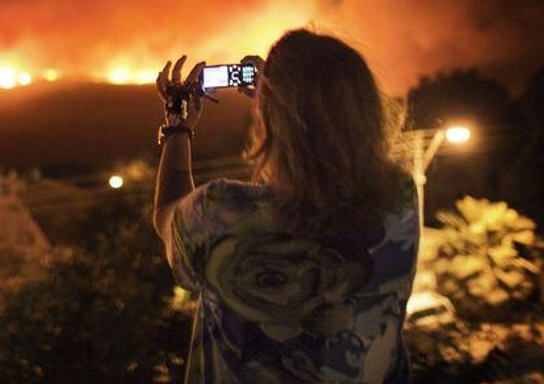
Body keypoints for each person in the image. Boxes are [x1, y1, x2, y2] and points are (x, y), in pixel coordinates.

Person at [153, 29, 419, 384]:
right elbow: (337, 167)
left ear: (270, 117)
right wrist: (287, 96)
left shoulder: (219, 214)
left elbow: (168, 215)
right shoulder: (400, 198)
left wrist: (177, 128)